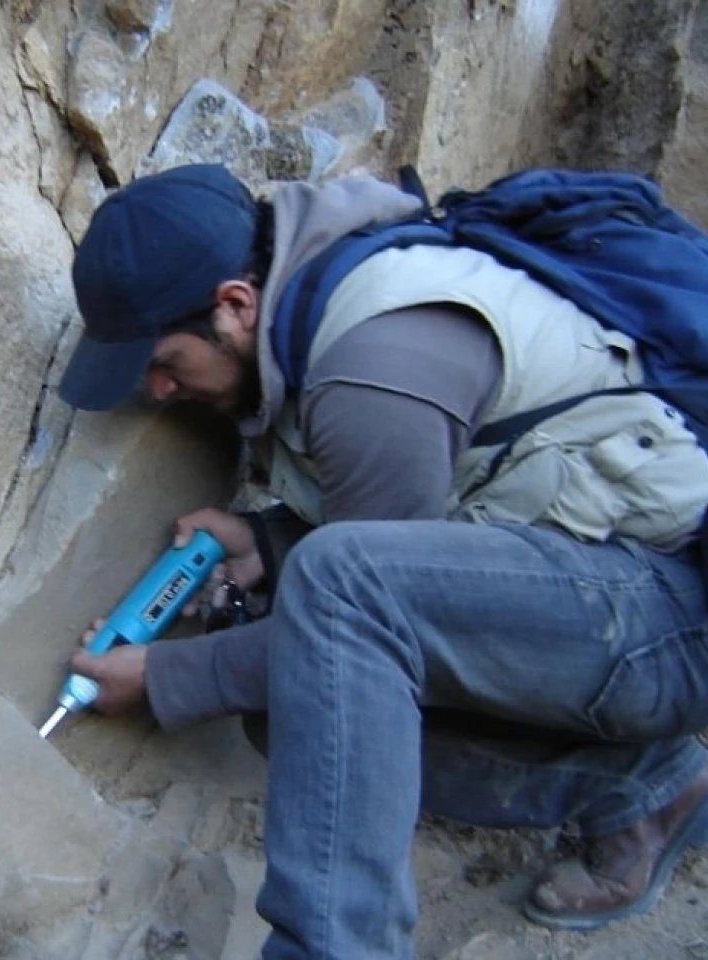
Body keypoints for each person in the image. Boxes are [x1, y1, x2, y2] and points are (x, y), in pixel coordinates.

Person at [55, 163, 708, 959]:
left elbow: (362, 611)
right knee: (294, 710)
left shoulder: (373, 366)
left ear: (236, 304)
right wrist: (269, 543)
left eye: (165, 362)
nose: (157, 390)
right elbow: (425, 554)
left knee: (325, 650)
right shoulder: (323, 297)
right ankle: (647, 789)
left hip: (676, 619)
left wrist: (167, 676)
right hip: (614, 595)